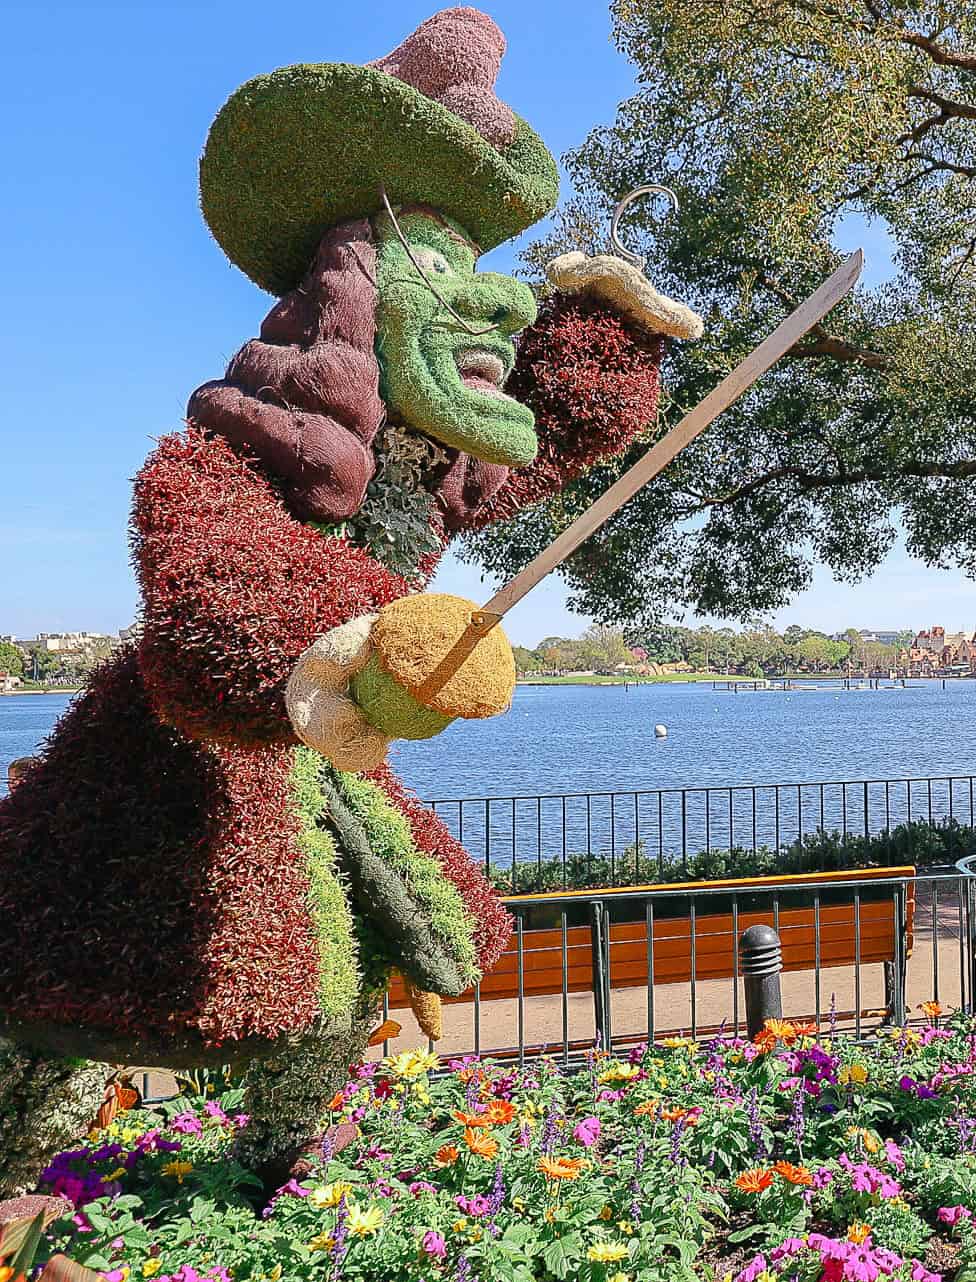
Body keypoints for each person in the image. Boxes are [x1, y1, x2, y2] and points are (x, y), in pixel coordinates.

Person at [0, 7, 700, 1187]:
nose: (496, 307)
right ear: (351, 300)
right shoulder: (227, 457)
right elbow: (211, 587)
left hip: (320, 772)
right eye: (438, 269)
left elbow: (535, 442)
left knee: (338, 983)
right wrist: (361, 638)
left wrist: (610, 331)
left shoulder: (419, 469)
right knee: (72, 1011)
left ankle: (271, 1195)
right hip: (177, 773)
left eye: (489, 276)